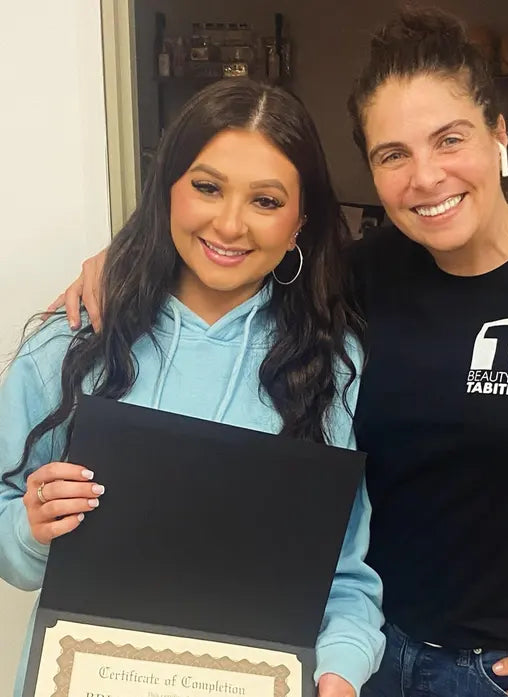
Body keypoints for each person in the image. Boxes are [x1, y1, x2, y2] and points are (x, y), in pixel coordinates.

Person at [52, 8, 508, 697]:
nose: (425, 177)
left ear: (498, 134)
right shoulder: (355, 278)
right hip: (361, 657)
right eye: (393, 154)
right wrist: (120, 265)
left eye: (449, 140)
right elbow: (229, 256)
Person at [0, 78, 385, 697]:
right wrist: (30, 525)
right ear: (168, 190)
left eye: (265, 200)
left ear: (299, 223)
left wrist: (340, 669)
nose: (229, 224)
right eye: (207, 187)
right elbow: (8, 531)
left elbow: (343, 576)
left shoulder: (328, 365)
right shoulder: (73, 340)